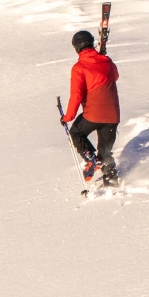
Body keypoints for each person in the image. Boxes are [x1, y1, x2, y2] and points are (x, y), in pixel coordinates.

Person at [61, 29, 119, 185]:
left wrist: (68, 117)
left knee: (76, 132)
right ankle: (112, 182)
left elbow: (76, 95)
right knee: (105, 151)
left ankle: (90, 157)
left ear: (77, 47)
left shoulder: (79, 67)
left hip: (93, 114)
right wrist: (103, 57)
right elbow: (115, 76)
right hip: (113, 115)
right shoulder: (107, 61)